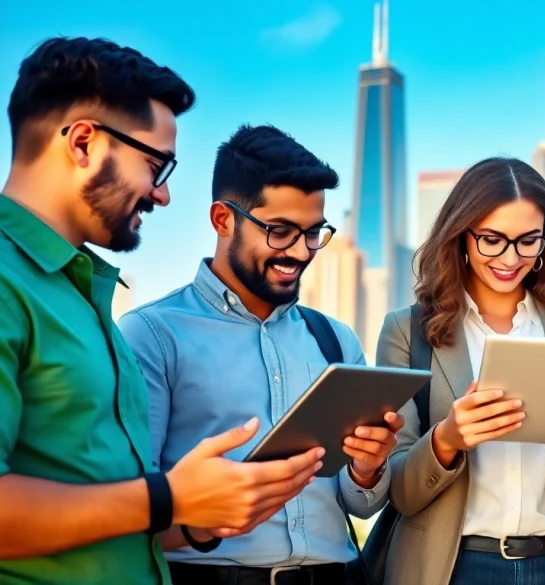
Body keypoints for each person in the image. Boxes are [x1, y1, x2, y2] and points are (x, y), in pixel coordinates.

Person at [0, 38, 324, 585]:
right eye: (156, 165)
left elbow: (116, 508)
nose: (164, 195)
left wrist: (202, 515)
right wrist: (167, 497)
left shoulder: (81, 293)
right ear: (83, 143)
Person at [118, 124, 401, 585]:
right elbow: (128, 507)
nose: (299, 252)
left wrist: (368, 470)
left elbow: (361, 504)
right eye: (280, 231)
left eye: (313, 233)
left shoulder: (336, 340)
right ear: (222, 219)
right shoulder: (151, 335)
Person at [375, 157, 545, 585]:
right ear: (461, 237)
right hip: (451, 567)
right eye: (492, 239)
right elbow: (397, 490)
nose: (511, 258)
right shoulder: (407, 332)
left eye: (528, 240)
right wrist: (446, 440)